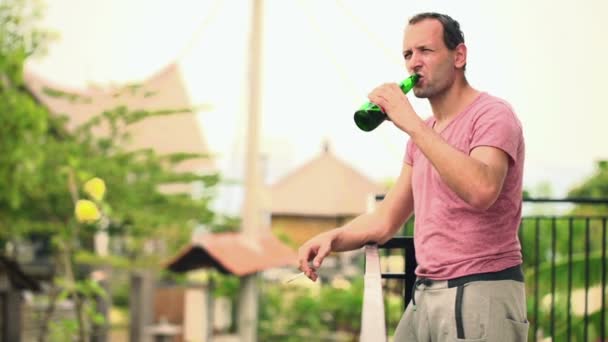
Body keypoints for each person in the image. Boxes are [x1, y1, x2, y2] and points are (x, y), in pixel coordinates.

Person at [297, 12, 529, 341]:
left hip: (481, 290)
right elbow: (385, 219)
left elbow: (482, 189)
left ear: (459, 55)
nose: (413, 63)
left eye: (426, 51)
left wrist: (411, 123)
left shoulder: (492, 114)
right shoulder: (424, 136)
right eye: (408, 54)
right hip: (425, 294)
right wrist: (333, 238)